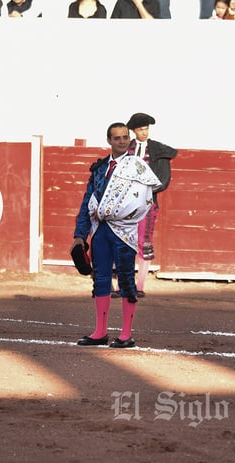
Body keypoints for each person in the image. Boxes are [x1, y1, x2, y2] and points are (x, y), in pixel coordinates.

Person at [71, 123, 161, 348]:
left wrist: (127, 215)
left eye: (124, 138)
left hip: (124, 230)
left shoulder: (137, 167)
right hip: (100, 229)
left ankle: (126, 334)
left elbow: (146, 198)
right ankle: (100, 331)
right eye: (117, 138)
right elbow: (87, 200)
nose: (121, 141)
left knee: (125, 279)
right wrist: (80, 234)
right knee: (100, 277)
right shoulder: (100, 168)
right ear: (109, 140)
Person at [117, 112, 177, 298]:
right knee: (124, 241)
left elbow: (163, 180)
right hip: (126, 204)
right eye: (141, 129)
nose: (144, 132)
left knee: (144, 241)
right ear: (134, 131)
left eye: (147, 129)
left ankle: (140, 285)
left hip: (148, 202)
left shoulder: (158, 151)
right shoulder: (125, 150)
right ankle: (122, 286)